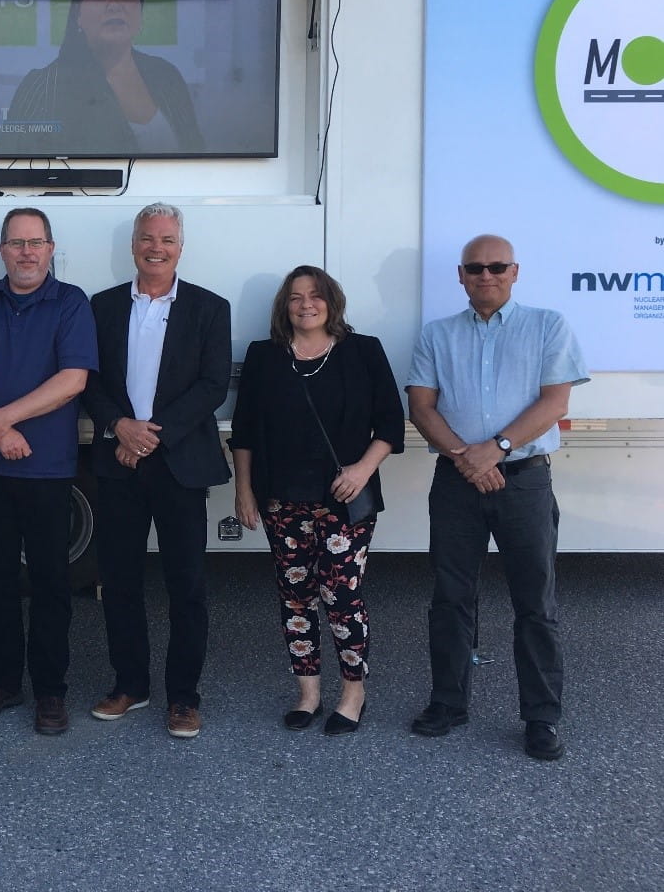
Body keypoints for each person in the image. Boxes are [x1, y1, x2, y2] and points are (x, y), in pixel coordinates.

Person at [405, 235, 587, 760]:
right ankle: (447, 703)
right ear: (460, 276)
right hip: (457, 480)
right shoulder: (437, 335)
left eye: (497, 267)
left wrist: (498, 448)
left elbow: (555, 402)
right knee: (450, 597)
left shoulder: (548, 325)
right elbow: (421, 406)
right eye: (475, 268)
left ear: (514, 271)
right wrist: (469, 456)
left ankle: (541, 717)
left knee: (535, 603)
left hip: (525, 480)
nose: (486, 275)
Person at [230, 266, 404, 735]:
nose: (306, 304)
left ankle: (353, 693)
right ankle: (308, 693)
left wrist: (363, 469)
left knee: (342, 596)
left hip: (344, 499)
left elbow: (391, 423)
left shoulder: (362, 351)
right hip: (282, 501)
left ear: (332, 301)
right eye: (295, 297)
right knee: (296, 599)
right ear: (283, 306)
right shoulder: (264, 357)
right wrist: (244, 490)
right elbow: (244, 431)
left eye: (315, 295)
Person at [81, 203, 231, 739]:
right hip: (119, 462)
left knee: (185, 585)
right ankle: (130, 685)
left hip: (179, 466)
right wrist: (120, 426)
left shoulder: (210, 308)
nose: (157, 247)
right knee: (119, 581)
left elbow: (213, 385)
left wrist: (148, 435)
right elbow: (87, 379)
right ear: (133, 245)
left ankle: (184, 697)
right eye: (148, 238)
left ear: (180, 247)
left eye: (167, 239)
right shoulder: (99, 307)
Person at [0, 208, 98, 735]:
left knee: (53, 583)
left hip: (49, 470)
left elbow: (74, 379)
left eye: (36, 243)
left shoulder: (71, 302)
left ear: (51, 249)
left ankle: (51, 691)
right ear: (2, 250)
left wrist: (2, 420)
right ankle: (4, 681)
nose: (26, 252)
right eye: (16, 243)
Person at [1, 0, 204, 157]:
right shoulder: (43, 86)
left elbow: (197, 153)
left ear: (141, 14)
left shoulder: (166, 75)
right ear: (77, 17)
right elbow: (11, 167)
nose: (114, 5)